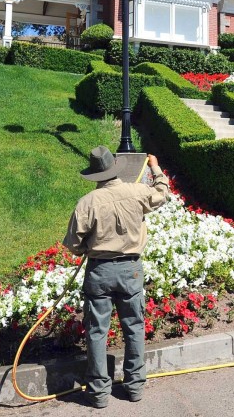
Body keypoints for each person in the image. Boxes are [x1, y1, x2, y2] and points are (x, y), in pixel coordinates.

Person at [62, 146, 170, 409]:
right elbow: (162, 193)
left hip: (99, 270)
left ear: (95, 174)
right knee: (134, 326)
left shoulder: (87, 203)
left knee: (97, 332)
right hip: (130, 270)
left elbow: (73, 244)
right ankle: (134, 388)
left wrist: (87, 247)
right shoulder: (136, 192)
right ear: (115, 168)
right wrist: (155, 167)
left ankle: (99, 394)